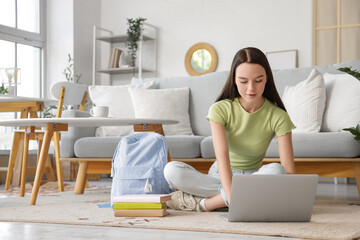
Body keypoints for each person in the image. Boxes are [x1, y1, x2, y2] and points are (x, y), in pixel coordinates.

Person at [164, 47, 296, 212]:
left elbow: (289, 171)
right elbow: (222, 156)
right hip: (219, 176)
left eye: (258, 80)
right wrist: (232, 194)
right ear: (234, 79)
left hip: (252, 179)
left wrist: (235, 195)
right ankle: (241, 198)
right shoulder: (219, 109)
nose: (250, 88)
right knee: (171, 170)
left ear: (267, 78)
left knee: (277, 171)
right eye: (243, 81)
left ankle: (203, 204)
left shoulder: (278, 116)